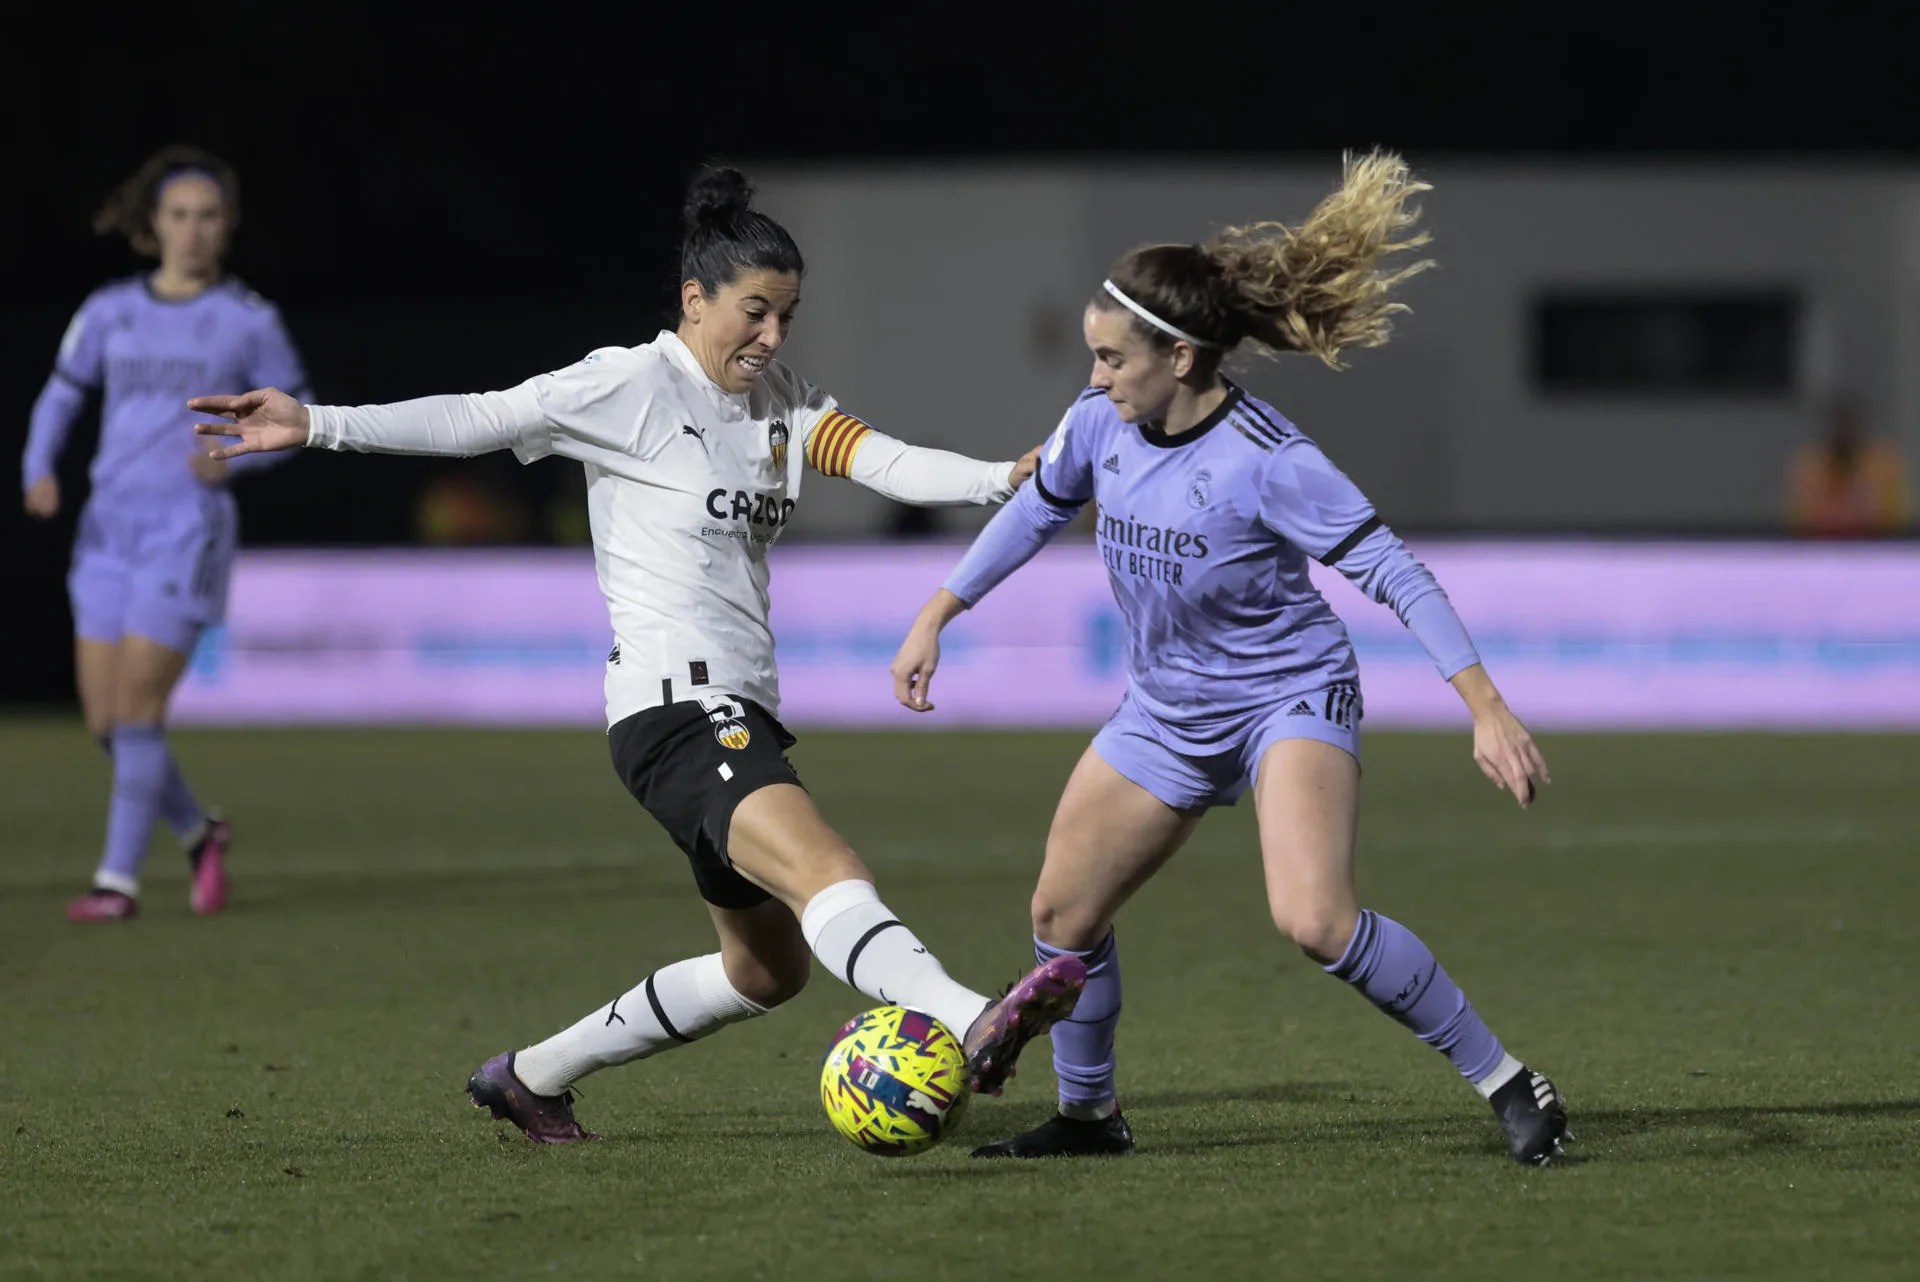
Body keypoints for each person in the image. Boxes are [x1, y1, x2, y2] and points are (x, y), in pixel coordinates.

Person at [190, 166, 1085, 1142]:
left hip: (731, 710)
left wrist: (1007, 476)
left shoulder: (782, 400)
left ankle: (530, 1075)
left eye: (786, 316)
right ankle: (969, 1017)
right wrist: (315, 424)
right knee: (827, 865)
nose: (772, 337)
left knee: (764, 971)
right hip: (680, 710)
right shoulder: (629, 383)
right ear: (694, 300)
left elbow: (886, 459)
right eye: (753, 313)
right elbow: (481, 416)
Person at [890, 152, 1570, 1165]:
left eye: (1113, 358)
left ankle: (1513, 1082)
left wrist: (1486, 705)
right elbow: (1037, 509)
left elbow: (1391, 567)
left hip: (1286, 696)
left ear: (1184, 357)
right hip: (1165, 710)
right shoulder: (1097, 426)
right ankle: (1089, 1118)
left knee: (1314, 918)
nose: (1094, 375)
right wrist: (939, 609)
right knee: (1061, 911)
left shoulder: (1267, 460)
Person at [22, 144, 310, 923]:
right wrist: (37, 468)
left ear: (227, 227)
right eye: (180, 215)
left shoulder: (248, 319)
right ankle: (197, 830)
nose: (194, 230)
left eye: (208, 216)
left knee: (138, 707)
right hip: (106, 532)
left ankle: (117, 881)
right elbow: (60, 396)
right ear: (153, 224)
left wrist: (237, 466)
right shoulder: (110, 310)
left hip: (186, 533)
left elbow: (300, 415)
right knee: (104, 721)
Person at [1786, 395, 1912, 537]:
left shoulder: (1883, 463)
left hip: (1874, 547)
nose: (1845, 432)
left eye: (1850, 425)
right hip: (1820, 547)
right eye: (1840, 426)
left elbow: (1893, 519)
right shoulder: (1810, 465)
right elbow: (1802, 520)